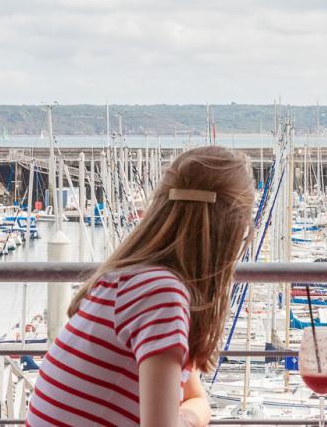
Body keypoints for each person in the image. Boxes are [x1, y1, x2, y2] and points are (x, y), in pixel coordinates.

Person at [27, 146, 255, 427]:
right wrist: (183, 417)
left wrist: (183, 416)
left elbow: (195, 397)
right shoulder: (159, 295)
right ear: (230, 232)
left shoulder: (127, 280)